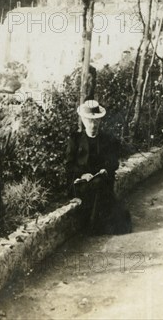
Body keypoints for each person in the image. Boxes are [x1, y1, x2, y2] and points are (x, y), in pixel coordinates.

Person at [66, 99, 132, 235]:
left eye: (96, 121)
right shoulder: (75, 139)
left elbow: (114, 163)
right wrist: (82, 175)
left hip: (101, 180)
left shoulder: (107, 140)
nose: (93, 124)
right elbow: (69, 165)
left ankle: (93, 226)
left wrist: (105, 169)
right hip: (81, 182)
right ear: (84, 121)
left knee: (99, 184)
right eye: (89, 121)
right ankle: (95, 225)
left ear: (100, 121)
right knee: (98, 188)